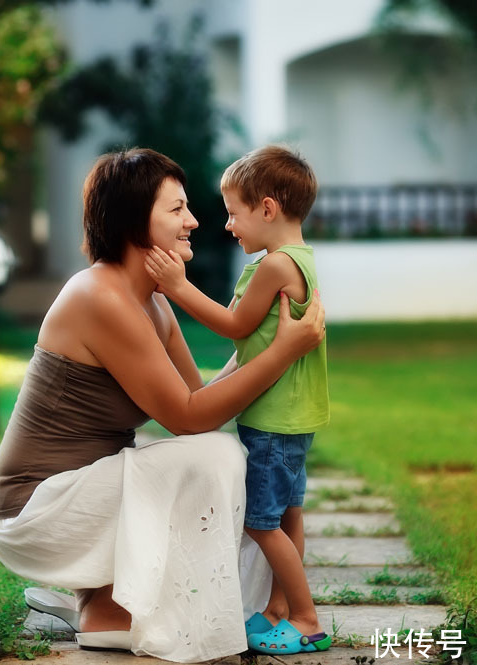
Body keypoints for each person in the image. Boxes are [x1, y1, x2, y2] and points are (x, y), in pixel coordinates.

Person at [0, 148, 325, 663]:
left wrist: (270, 346)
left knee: (217, 453)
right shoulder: (101, 296)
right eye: (176, 209)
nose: (194, 221)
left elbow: (201, 400)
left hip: (82, 487)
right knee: (219, 458)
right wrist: (281, 353)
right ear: (132, 221)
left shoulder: (152, 301)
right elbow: (188, 417)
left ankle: (103, 605)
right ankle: (110, 606)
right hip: (34, 509)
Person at [144, 145, 330, 655]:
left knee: (261, 523)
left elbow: (235, 325)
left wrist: (177, 288)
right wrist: (209, 389)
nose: (227, 226)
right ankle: (278, 609)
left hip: (272, 422)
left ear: (267, 209)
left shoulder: (274, 266)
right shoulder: (299, 259)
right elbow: (255, 346)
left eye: (234, 213)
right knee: (289, 515)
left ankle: (307, 619)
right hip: (291, 417)